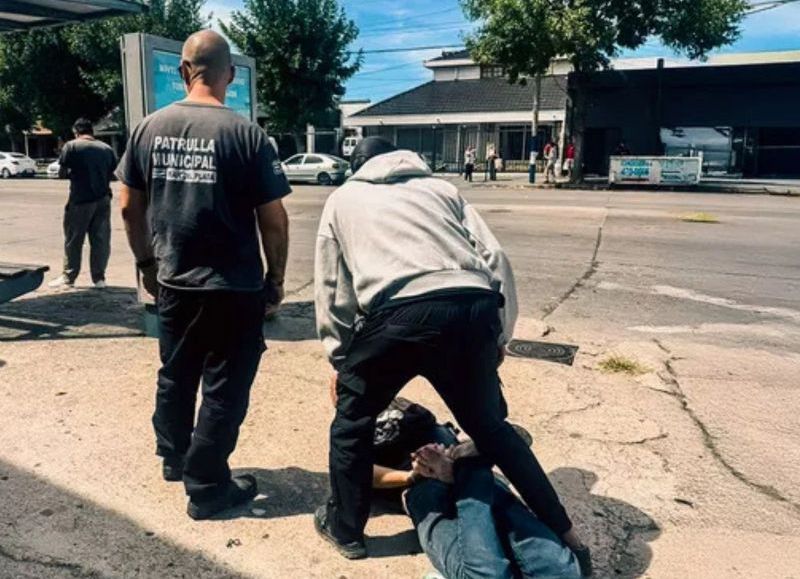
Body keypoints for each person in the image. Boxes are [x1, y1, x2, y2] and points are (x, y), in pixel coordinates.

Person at [313, 136, 585, 560]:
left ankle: (346, 529)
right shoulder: (441, 189)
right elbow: (493, 256)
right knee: (491, 429)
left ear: (356, 165)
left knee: (352, 424)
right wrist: (499, 336)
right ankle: (566, 534)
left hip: (395, 315)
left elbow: (333, 288)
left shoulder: (344, 197)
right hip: (468, 305)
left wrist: (341, 356)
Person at [116, 30, 290, 520]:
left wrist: (147, 264)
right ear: (229, 75)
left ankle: (174, 457)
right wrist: (275, 279)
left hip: (173, 281)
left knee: (176, 373)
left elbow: (129, 205)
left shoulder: (147, 129)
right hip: (234, 287)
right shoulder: (247, 134)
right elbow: (273, 218)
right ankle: (208, 487)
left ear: (183, 72)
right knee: (224, 387)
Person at [367, 397, 590, 578]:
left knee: (486, 574)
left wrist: (413, 476)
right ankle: (467, 467)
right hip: (441, 456)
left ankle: (468, 468)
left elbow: (357, 469)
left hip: (423, 476)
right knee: (562, 571)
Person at [48, 117, 117, 289]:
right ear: (91, 131)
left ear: (76, 131)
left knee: (74, 239)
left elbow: (62, 173)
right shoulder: (107, 149)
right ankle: (99, 279)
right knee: (100, 240)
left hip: (80, 200)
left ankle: (69, 276)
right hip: (103, 200)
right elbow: (113, 175)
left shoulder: (71, 146)